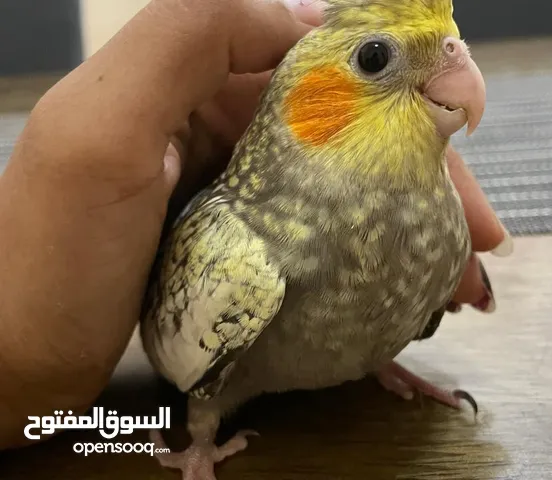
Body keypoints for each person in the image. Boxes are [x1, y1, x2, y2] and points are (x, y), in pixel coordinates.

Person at [0, 0, 513, 450]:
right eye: (375, 60)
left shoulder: (443, 225)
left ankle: (374, 364)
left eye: (453, 47)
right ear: (300, 99)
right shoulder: (239, 254)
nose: (458, 62)